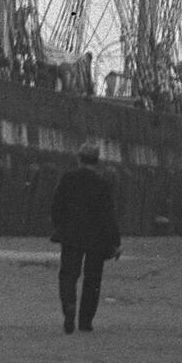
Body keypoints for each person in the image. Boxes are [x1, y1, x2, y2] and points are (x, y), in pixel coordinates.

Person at [48, 141, 121, 334]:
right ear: (97, 161)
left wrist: (59, 227)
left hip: (71, 235)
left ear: (79, 159)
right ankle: (85, 321)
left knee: (68, 275)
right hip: (96, 238)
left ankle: (69, 306)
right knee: (93, 280)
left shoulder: (68, 179)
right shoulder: (103, 184)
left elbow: (56, 205)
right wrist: (115, 242)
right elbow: (109, 215)